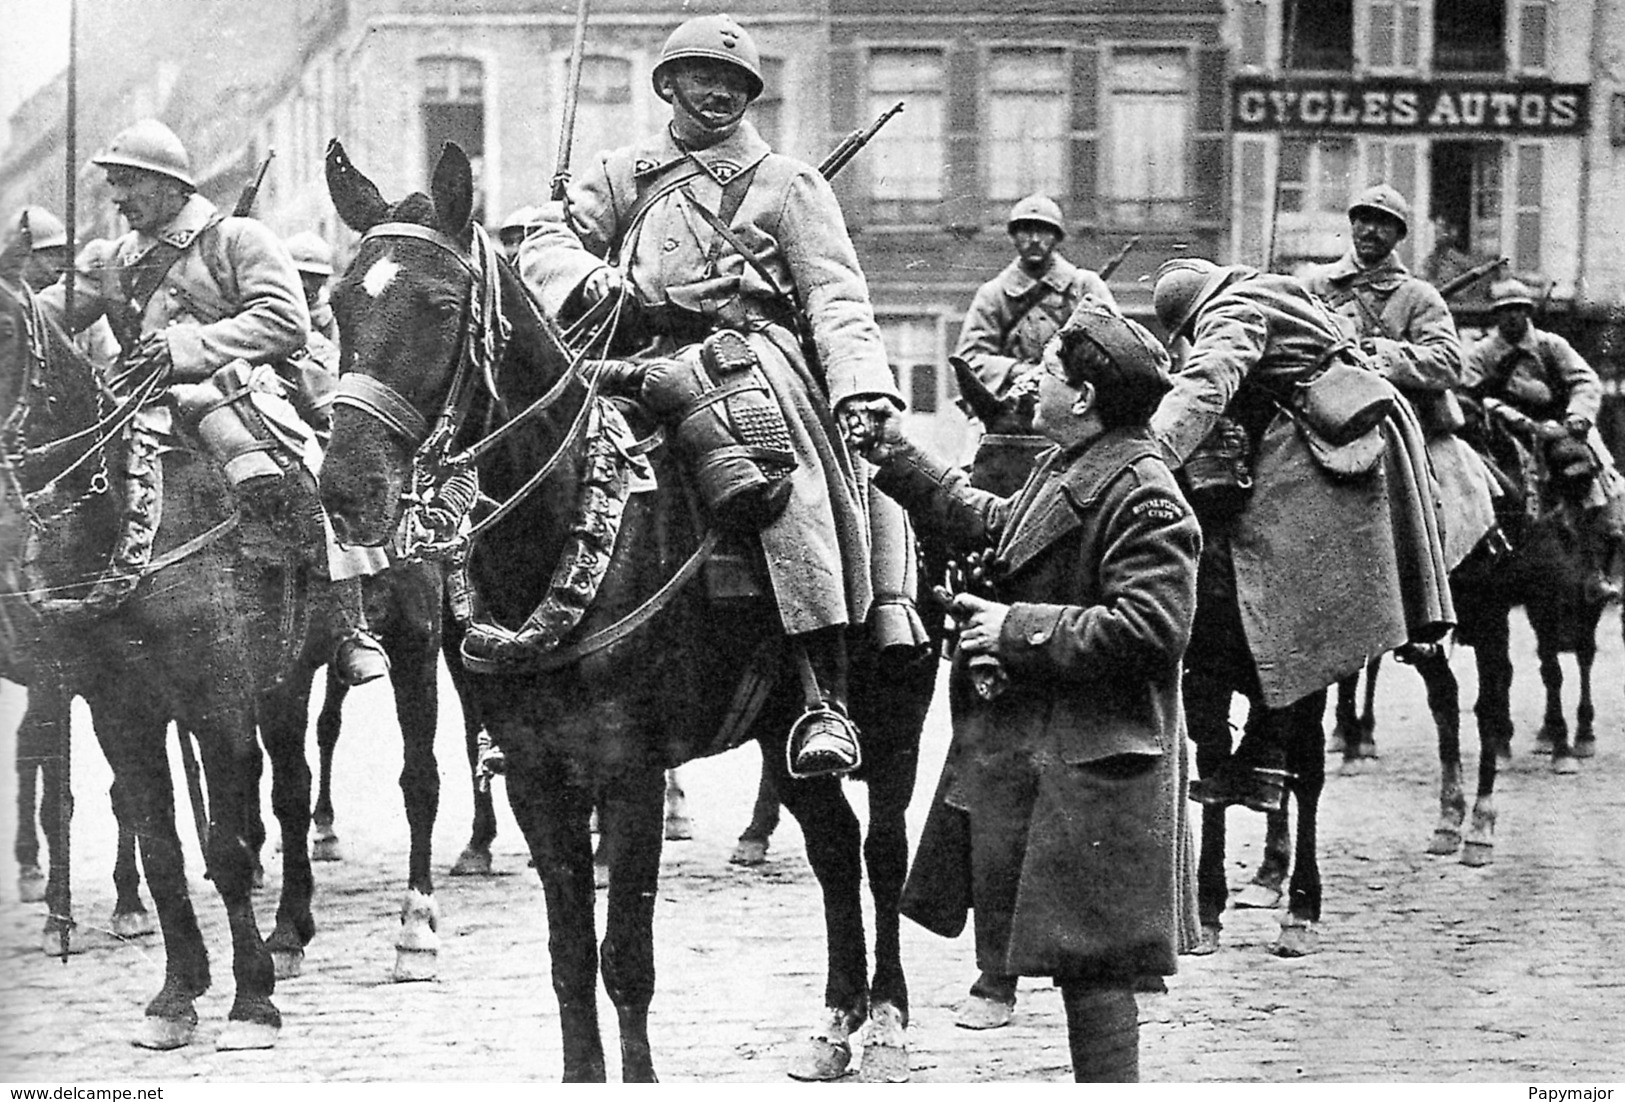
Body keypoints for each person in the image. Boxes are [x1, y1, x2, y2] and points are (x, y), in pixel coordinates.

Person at [523, 14, 916, 778]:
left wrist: (859, 387)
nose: (719, 93)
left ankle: (817, 694)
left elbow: (835, 297)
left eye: (735, 82)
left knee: (786, 482)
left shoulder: (787, 184)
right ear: (667, 84)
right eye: (703, 76)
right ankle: (521, 681)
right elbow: (542, 240)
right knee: (526, 457)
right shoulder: (619, 173)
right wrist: (585, 275)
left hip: (746, 358)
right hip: (626, 348)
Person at [854, 298, 1197, 1082]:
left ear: (1082, 397)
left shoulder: (1144, 491)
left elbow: (1152, 630)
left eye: (1046, 371)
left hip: (1100, 766)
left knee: (1098, 971)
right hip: (1053, 757)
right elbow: (996, 521)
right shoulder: (1072, 464)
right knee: (1081, 963)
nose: (1031, 383)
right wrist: (895, 457)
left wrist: (1014, 629)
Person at [36, 118, 386, 686]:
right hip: (132, 404)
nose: (118, 197)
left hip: (232, 392)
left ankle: (346, 623)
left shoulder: (237, 240)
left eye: (131, 182)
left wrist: (185, 346)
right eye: (114, 183)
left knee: (293, 474)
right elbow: (45, 316)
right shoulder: (111, 258)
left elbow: (285, 320)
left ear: (174, 186)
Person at [1148, 257, 1452, 818]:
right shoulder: (1279, 289)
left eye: (1190, 332)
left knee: (1271, 577)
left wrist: (1150, 457)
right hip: (1357, 427)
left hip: (1335, 436)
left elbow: (1209, 381)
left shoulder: (1232, 310)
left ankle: (1263, 757)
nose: (1194, 338)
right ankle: (1264, 759)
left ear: (1195, 313)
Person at [1303, 183, 1497, 577]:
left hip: (1400, 425)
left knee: (1442, 501)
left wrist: (1387, 356)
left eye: (1384, 224)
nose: (1371, 231)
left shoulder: (1418, 296)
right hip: (1320, 419)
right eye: (1364, 220)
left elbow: (1448, 362)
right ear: (1352, 225)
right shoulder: (1313, 286)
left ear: (1398, 235)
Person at [1464, 278, 1625, 602]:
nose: (1511, 317)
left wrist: (1577, 415)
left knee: (1580, 463)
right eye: (1504, 311)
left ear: (1528, 312)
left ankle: (1594, 561)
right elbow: (1467, 390)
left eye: (1518, 310)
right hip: (1500, 427)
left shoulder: (1551, 345)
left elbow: (1584, 381)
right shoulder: (1482, 352)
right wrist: (1500, 413)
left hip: (1556, 426)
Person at [954, 195, 1115, 403]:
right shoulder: (993, 294)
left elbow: (1115, 349)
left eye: (1044, 231)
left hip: (1076, 404)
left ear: (1056, 237)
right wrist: (1017, 370)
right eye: (1026, 230)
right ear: (1013, 237)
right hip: (1014, 407)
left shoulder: (1085, 286)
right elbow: (969, 360)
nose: (1035, 239)